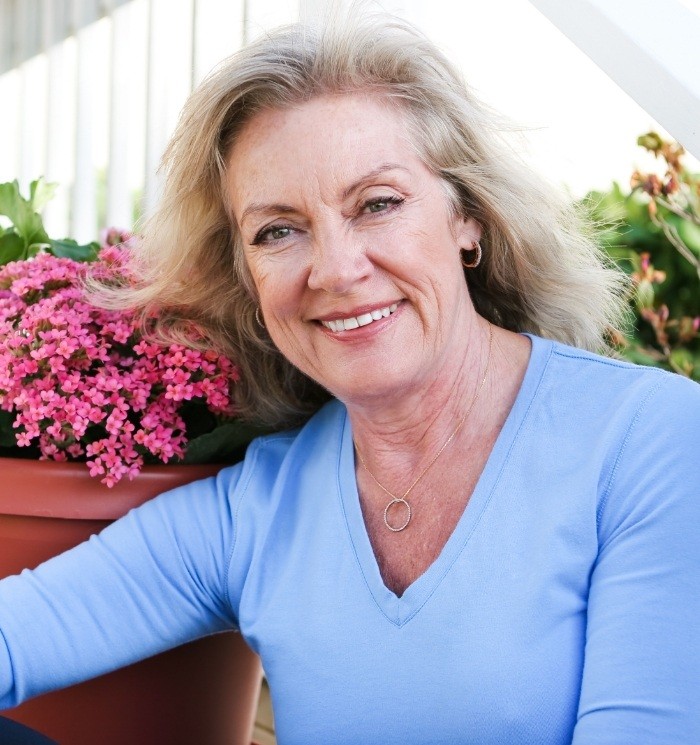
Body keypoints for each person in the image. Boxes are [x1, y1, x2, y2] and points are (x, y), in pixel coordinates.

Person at [1, 11, 699, 745]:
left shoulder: (646, 441)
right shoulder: (259, 510)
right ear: (245, 274)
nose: (335, 269)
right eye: (278, 230)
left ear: (468, 215)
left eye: (378, 204)